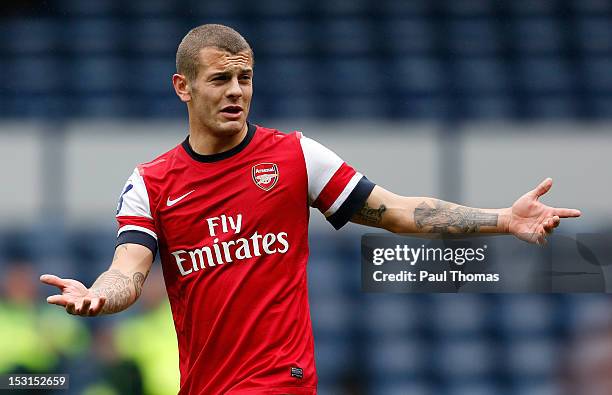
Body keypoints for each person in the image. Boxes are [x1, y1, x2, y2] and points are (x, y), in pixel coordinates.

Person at [40, 24, 581, 394]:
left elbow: (396, 211)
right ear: (182, 87)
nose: (237, 92)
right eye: (221, 79)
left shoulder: (295, 155)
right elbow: (128, 270)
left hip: (282, 379)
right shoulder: (152, 183)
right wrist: (98, 296)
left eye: (245, 78)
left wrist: (501, 220)